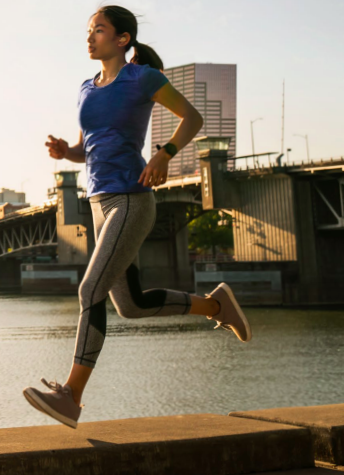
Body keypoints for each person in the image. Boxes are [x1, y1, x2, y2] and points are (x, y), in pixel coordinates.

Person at [21, 5, 251, 429]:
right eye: (89, 31)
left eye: (99, 30)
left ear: (123, 39)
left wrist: (164, 154)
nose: (90, 38)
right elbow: (86, 147)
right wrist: (64, 153)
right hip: (97, 202)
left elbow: (193, 118)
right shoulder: (86, 88)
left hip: (131, 200)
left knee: (90, 289)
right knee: (130, 305)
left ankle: (70, 396)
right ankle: (216, 305)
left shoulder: (142, 78)